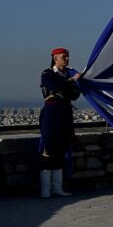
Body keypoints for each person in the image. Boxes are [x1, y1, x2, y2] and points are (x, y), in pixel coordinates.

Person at [39, 47, 81, 198]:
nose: (67, 59)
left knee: (61, 148)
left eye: (67, 56)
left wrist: (73, 81)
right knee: (48, 148)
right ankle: (45, 189)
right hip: (51, 114)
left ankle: (57, 188)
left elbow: (74, 95)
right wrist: (73, 80)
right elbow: (54, 86)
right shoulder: (47, 73)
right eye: (64, 57)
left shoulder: (66, 75)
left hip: (65, 114)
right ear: (55, 58)